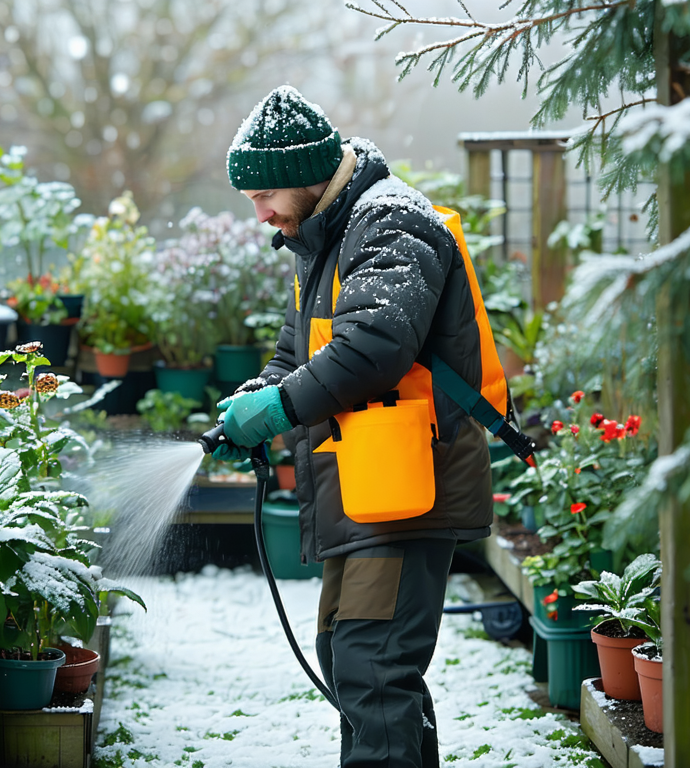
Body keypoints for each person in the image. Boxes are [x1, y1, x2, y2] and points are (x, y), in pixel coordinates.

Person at [215, 85, 495, 768]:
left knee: (372, 667)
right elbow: (298, 356)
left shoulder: (392, 222)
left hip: (408, 483)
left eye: (263, 197)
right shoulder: (325, 237)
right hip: (366, 487)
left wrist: (281, 409)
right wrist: (257, 396)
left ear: (303, 177)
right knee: (351, 661)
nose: (259, 215)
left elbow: (374, 346)